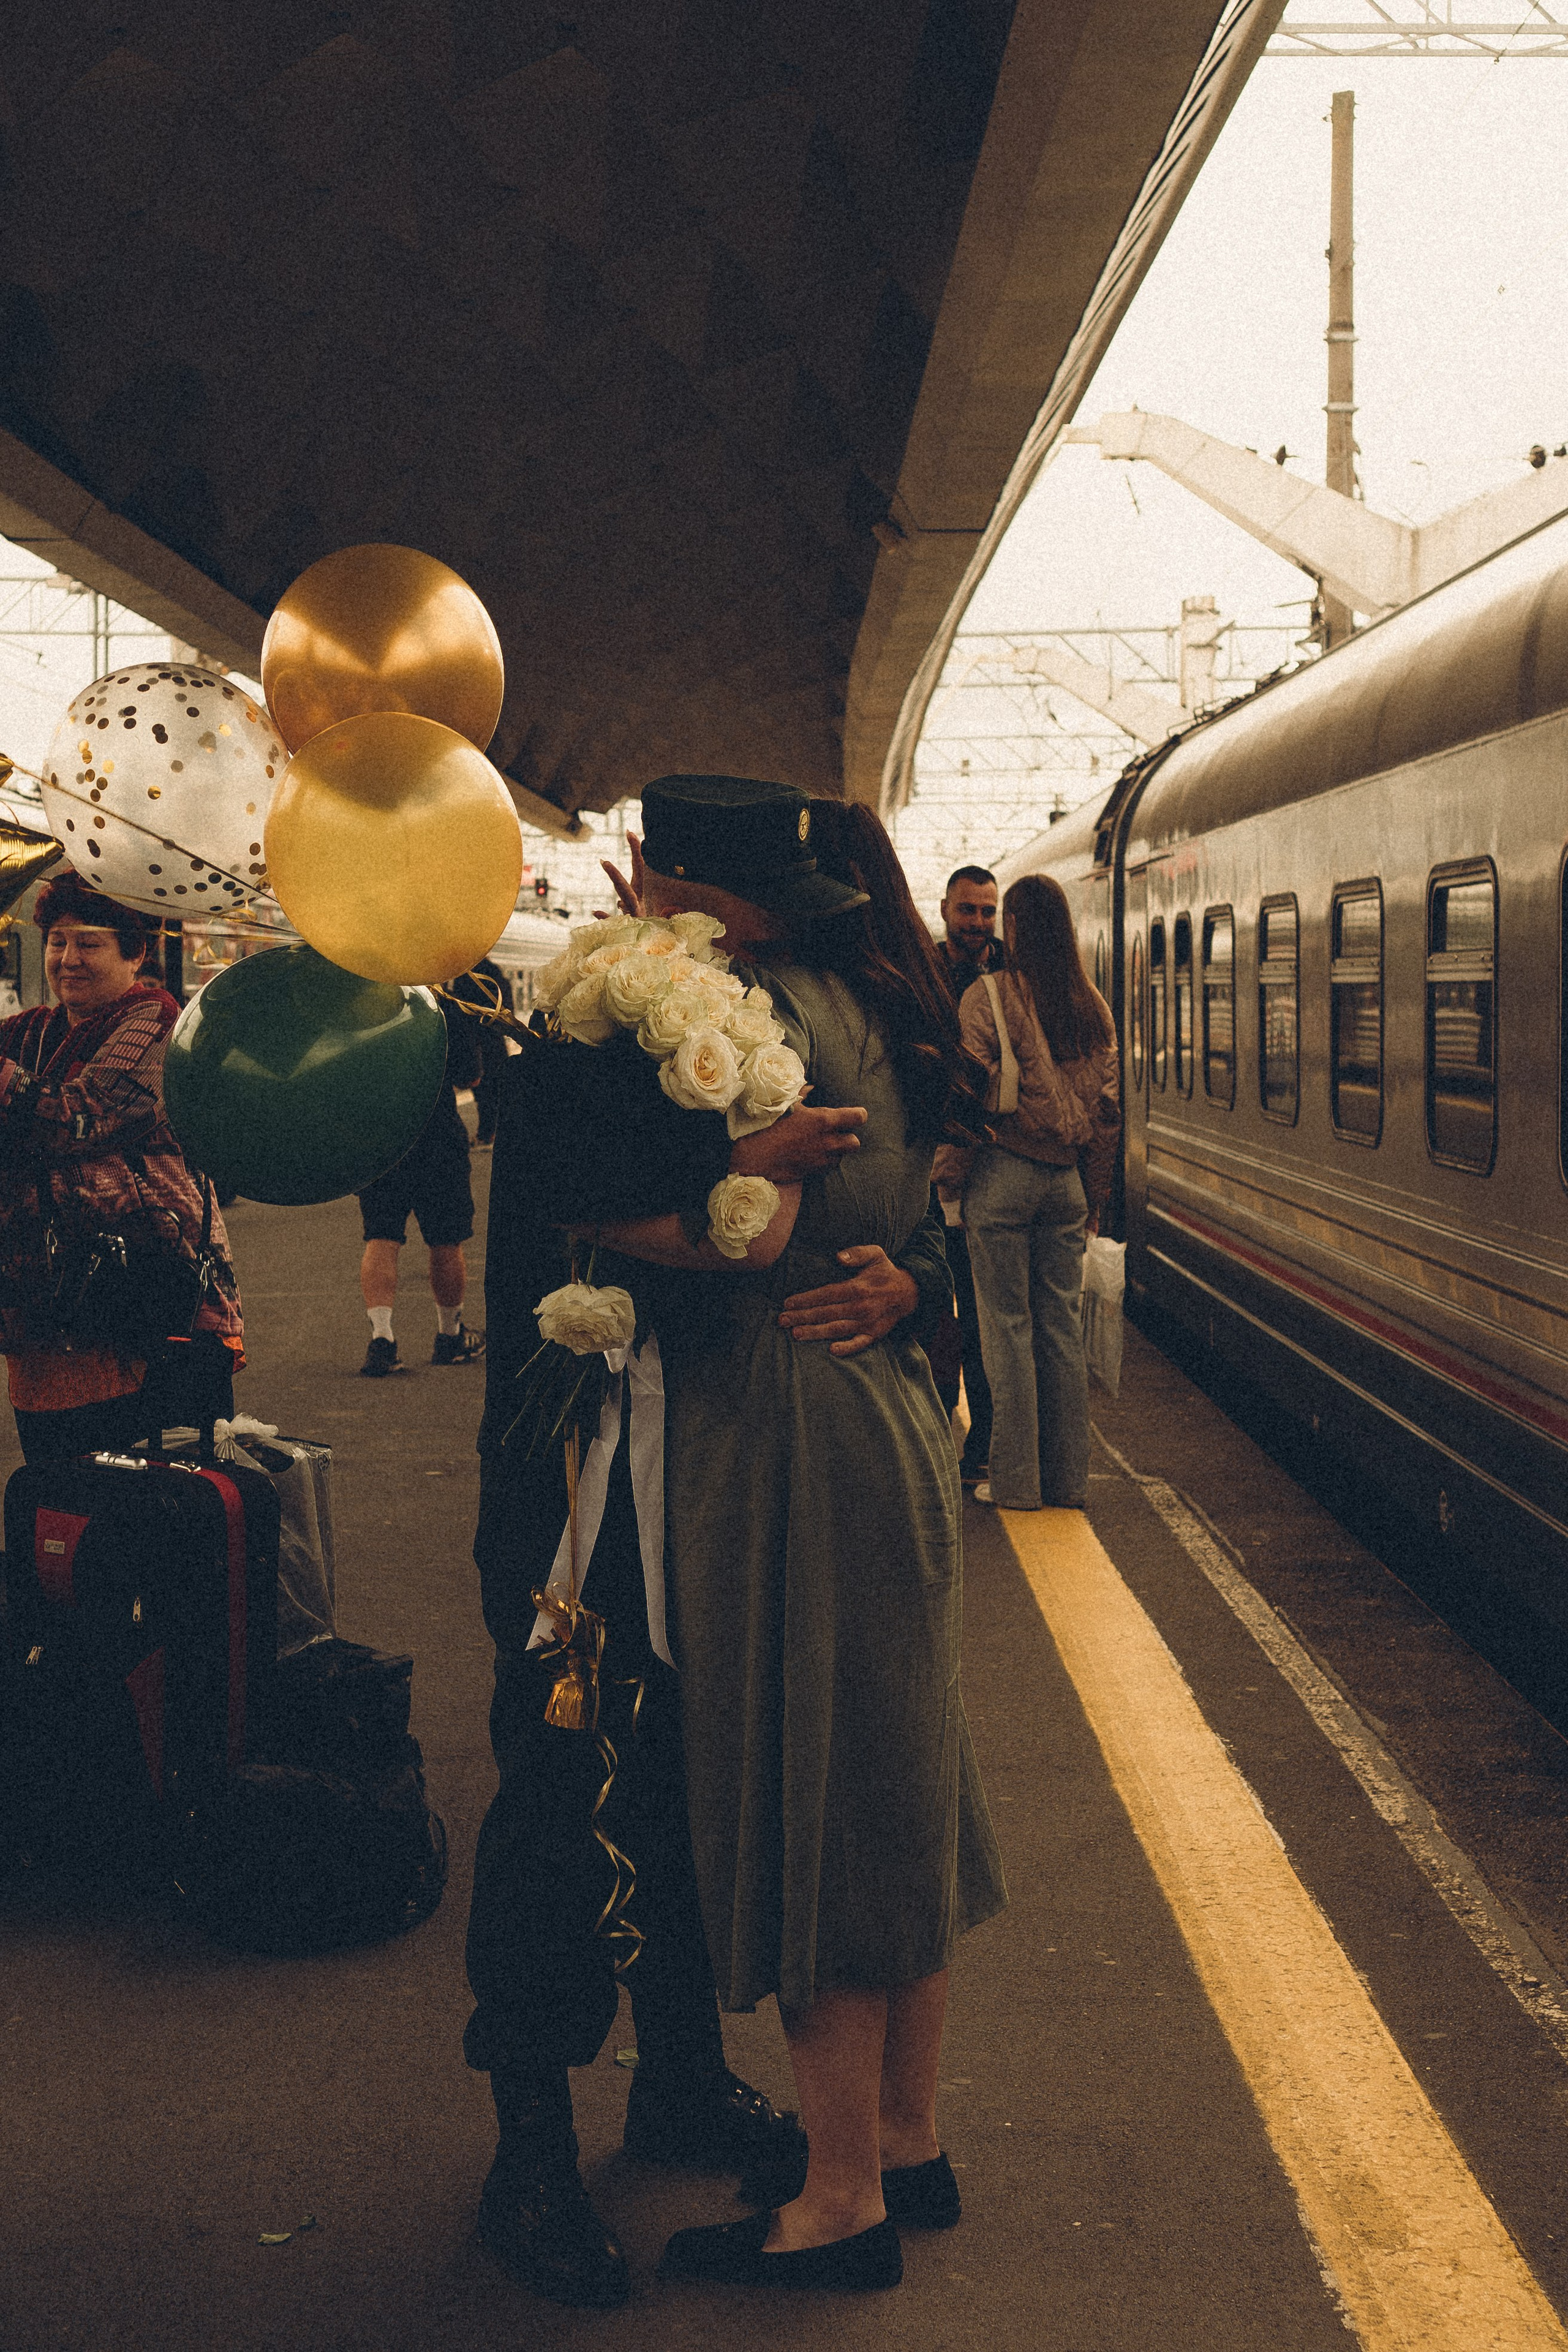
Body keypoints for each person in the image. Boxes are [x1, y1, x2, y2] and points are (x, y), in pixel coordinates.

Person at [595, 777, 1007, 2296]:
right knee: (894, 1777)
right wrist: (908, 1282)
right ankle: (902, 2135)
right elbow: (909, 1229)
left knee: (808, 1787)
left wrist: (596, 1219)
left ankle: (838, 2202)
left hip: (781, 1418)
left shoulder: (734, 1012)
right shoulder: (883, 996)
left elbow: (740, 1232)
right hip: (887, 1409)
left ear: (689, 889)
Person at [464, 977, 881, 2309]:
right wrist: (750, 1158)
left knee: (681, 1804)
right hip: (569, 1526)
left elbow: (829, 1236)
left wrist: (908, 1283)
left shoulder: (728, 1054)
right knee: (553, 1821)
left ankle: (682, 2084)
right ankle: (529, 2156)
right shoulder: (562, 1076)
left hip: (696, 1506)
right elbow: (670, 1222)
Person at [0, 872, 243, 1461]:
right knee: (60, 1500)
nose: (68, 959)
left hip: (150, 1312)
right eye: (58, 941)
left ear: (135, 954)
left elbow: (79, 1118)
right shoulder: (30, 1032)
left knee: (157, 1495)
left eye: (89, 943)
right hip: (48, 1321)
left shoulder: (158, 1022)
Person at [933, 872, 1121, 1512]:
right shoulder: (1092, 1006)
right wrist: (1094, 1197)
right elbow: (1107, 1114)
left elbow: (964, 1099)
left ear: (1012, 926)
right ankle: (1067, 1482)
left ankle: (1015, 1483)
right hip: (1067, 1184)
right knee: (1060, 1332)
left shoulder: (987, 997)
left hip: (1003, 1176)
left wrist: (949, 1182)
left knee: (1006, 1332)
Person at [357, 997, 486, 1375]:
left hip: (380, 1139)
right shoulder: (443, 1007)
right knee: (446, 1240)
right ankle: (450, 1337)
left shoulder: (361, 1003)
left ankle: (382, 1341)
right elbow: (471, 1078)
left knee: (381, 1236)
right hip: (438, 1138)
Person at [933, 865, 1002, 1485]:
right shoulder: (922, 971)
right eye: (968, 910)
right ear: (945, 910)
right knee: (932, 1313)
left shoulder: (1009, 976)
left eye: (986, 911)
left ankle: (982, 1444)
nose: (977, 923)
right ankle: (932, 1440)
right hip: (928, 1168)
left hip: (985, 1172)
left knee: (981, 1320)